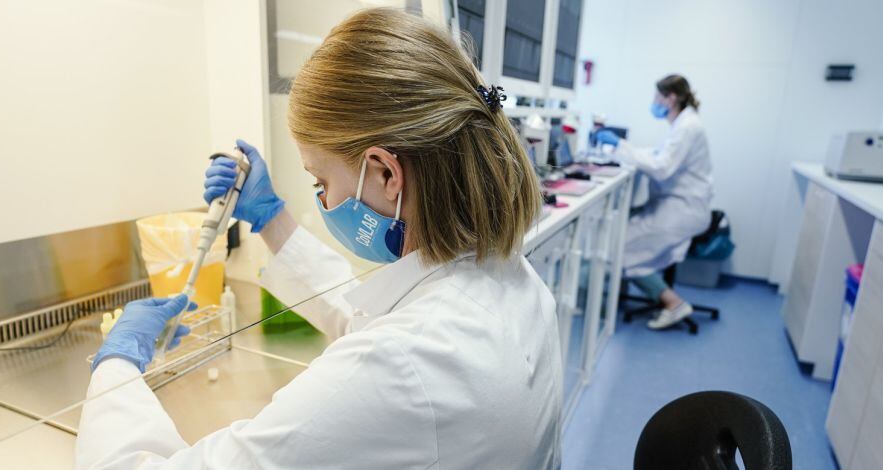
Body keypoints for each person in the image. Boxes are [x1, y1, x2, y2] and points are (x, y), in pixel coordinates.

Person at [76, 8, 561, 469]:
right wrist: (269, 218)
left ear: (386, 172)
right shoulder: (507, 278)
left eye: (320, 182)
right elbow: (365, 319)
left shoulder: (403, 362)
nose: (323, 200)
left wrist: (115, 365)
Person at [596, 74, 713, 330]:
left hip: (681, 210)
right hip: (674, 206)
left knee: (620, 248)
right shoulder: (683, 125)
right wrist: (623, 146)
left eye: (656, 97)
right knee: (624, 238)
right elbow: (659, 155)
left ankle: (674, 303)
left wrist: (619, 146)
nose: (654, 102)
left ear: (670, 98)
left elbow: (661, 167)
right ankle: (665, 299)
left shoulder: (687, 127)